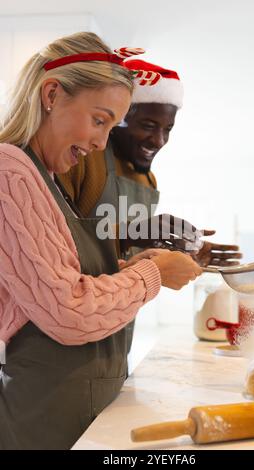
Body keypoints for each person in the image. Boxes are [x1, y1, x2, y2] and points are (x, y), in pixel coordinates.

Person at [0, 32, 203, 450]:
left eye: (110, 127)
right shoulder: (10, 172)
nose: (99, 143)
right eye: (99, 120)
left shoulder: (47, 179)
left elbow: (52, 286)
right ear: (52, 94)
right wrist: (153, 272)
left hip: (78, 403)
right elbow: (69, 311)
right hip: (44, 414)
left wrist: (130, 265)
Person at [58, 59, 241, 266]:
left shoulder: (148, 179)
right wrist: (131, 232)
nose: (159, 140)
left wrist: (178, 251)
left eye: (167, 129)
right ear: (118, 119)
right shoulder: (81, 157)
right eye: (148, 125)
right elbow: (58, 240)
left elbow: (131, 253)